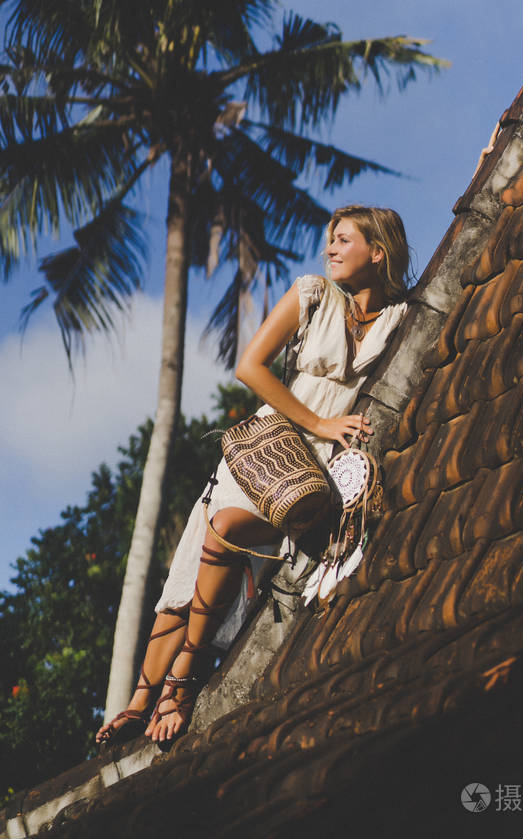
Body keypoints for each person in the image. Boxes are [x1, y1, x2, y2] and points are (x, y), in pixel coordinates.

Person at [96, 205, 410, 746]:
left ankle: (177, 684)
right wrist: (320, 422)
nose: (329, 249)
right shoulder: (312, 293)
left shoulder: (399, 316)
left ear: (377, 251)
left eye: (342, 239)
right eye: (329, 240)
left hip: (318, 475)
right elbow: (250, 367)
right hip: (267, 453)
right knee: (192, 575)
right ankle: (144, 699)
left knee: (226, 550)